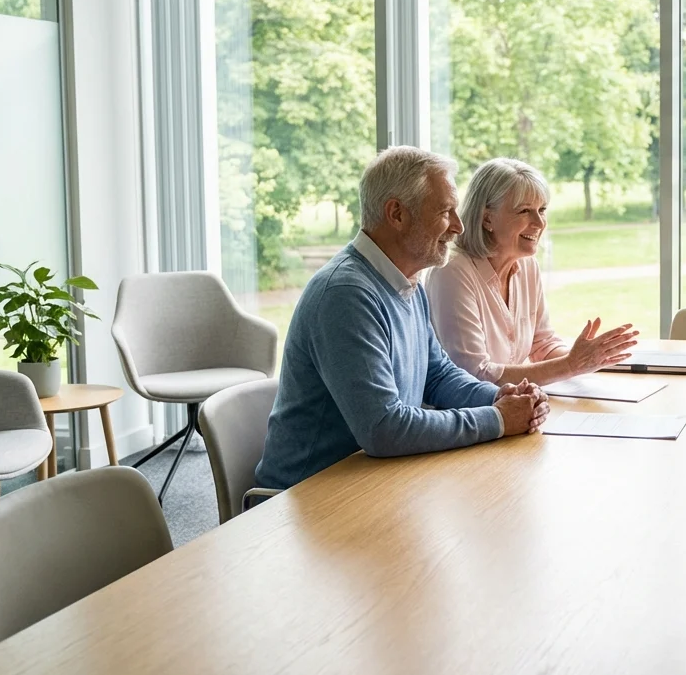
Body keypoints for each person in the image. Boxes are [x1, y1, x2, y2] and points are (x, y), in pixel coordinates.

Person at [255, 147, 549, 491]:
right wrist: (498, 419)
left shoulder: (406, 281)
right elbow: (384, 428)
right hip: (306, 500)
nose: (458, 226)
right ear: (397, 214)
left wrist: (498, 397)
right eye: (445, 212)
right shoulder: (346, 294)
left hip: (370, 481)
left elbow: (438, 376)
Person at [427, 157, 638, 386]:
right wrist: (571, 365)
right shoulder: (453, 273)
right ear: (487, 218)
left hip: (510, 407)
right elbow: (474, 376)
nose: (539, 223)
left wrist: (592, 358)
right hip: (467, 416)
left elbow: (542, 344)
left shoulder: (527, 265)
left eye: (542, 210)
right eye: (525, 211)